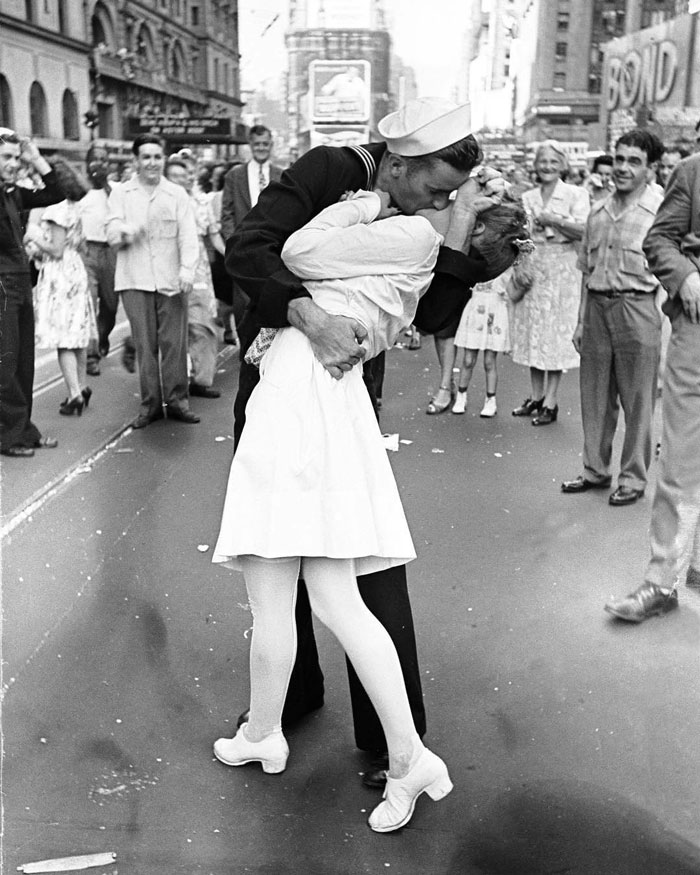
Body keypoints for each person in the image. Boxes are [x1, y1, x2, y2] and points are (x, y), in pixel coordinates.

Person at [212, 183, 526, 831]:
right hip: (331, 405)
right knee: (332, 599)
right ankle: (281, 732)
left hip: (299, 401)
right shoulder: (409, 268)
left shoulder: (403, 240)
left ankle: (294, 736)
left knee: (277, 593)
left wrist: (360, 203)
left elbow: (296, 250)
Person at [603, 149, 700, 621]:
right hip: (697, 331)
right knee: (681, 461)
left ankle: (695, 561)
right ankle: (662, 582)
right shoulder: (693, 171)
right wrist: (684, 276)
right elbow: (659, 239)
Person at [561, 129, 664, 507]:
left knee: (638, 400)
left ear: (651, 169)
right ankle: (594, 469)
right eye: (619, 159)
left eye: (633, 161)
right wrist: (580, 321)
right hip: (598, 308)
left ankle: (633, 479)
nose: (622, 168)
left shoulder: (661, 212)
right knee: (595, 396)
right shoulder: (598, 210)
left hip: (638, 308)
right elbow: (586, 271)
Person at [106, 135, 200, 429]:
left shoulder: (176, 194)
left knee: (174, 343)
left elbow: (188, 236)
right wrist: (126, 231)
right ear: (135, 161)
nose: (152, 163)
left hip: (171, 280)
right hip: (135, 280)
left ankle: (177, 401)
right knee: (146, 346)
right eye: (145, 157)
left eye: (157, 157)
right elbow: (110, 234)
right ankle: (150, 405)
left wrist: (187, 271)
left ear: (163, 159)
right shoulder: (121, 193)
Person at [510, 140, 590, 425]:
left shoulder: (576, 194)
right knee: (534, 332)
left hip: (563, 269)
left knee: (555, 335)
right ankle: (535, 395)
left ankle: (551, 401)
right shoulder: (527, 196)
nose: (547, 167)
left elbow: (584, 230)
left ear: (564, 166)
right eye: (543, 161)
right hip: (534, 267)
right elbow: (520, 234)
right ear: (535, 164)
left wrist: (553, 219)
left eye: (554, 162)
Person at [0, 129, 62, 458]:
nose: (14, 163)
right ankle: (8, 436)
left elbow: (55, 192)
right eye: (6, 158)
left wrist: (34, 158)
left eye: (15, 157)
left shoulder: (12, 194)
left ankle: (24, 429)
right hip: (3, 285)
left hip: (20, 281)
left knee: (24, 363)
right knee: (6, 364)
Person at [26, 192, 97, 416]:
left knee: (63, 338)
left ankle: (74, 393)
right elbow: (80, 243)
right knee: (77, 334)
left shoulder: (55, 210)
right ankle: (82, 386)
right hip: (75, 269)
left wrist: (33, 238)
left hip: (60, 275)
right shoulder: (72, 206)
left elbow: (56, 250)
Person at [164, 157, 223, 399]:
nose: (182, 179)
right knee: (176, 328)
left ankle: (201, 379)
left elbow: (214, 236)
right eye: (175, 176)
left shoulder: (201, 203)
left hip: (198, 272)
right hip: (168, 270)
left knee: (204, 325)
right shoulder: (162, 203)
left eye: (185, 174)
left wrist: (232, 256)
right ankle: (178, 381)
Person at [451, 242, 530, 418]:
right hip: (475, 314)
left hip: (493, 316)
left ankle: (490, 400)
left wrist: (523, 285)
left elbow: (513, 295)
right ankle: (461, 396)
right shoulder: (477, 268)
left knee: (489, 361)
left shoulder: (504, 271)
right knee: (468, 359)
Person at [220, 127, 283, 345]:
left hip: (274, 251)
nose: (261, 148)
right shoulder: (234, 176)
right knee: (244, 308)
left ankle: (270, 359)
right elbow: (226, 214)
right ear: (250, 145)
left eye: (265, 144)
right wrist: (235, 243)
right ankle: (245, 354)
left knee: (272, 305)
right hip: (243, 252)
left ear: (271, 144)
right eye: (257, 144)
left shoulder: (282, 175)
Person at [78, 143, 119, 377]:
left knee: (111, 306)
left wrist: (105, 185)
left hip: (111, 251)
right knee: (89, 304)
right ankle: (91, 356)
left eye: (104, 159)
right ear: (87, 162)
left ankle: (102, 337)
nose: (99, 163)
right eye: (95, 159)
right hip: (87, 251)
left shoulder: (115, 189)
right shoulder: (79, 189)